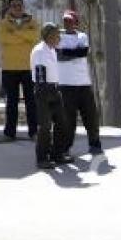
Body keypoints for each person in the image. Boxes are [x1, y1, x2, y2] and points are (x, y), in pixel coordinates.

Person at [57, 10, 103, 156]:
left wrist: (66, 53)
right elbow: (58, 56)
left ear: (76, 22)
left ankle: (94, 143)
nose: (67, 23)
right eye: (65, 20)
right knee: (68, 119)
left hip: (83, 83)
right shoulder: (57, 36)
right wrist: (71, 53)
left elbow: (82, 53)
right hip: (65, 85)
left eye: (70, 21)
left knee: (90, 116)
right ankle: (65, 147)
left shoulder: (82, 36)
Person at [0, 0, 39, 143]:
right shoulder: (3, 24)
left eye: (20, 5)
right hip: (9, 68)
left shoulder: (33, 22)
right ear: (9, 8)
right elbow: (3, 39)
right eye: (14, 5)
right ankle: (9, 134)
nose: (17, 8)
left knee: (31, 102)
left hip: (29, 67)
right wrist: (24, 36)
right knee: (11, 103)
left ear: (23, 6)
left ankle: (34, 133)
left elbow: (35, 37)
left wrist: (15, 33)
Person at [30, 23, 70, 169]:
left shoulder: (51, 50)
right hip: (43, 90)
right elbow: (40, 74)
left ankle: (57, 154)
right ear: (49, 36)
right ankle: (41, 158)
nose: (59, 38)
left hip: (53, 88)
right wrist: (46, 91)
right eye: (57, 35)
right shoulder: (40, 51)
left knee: (61, 122)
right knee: (45, 126)